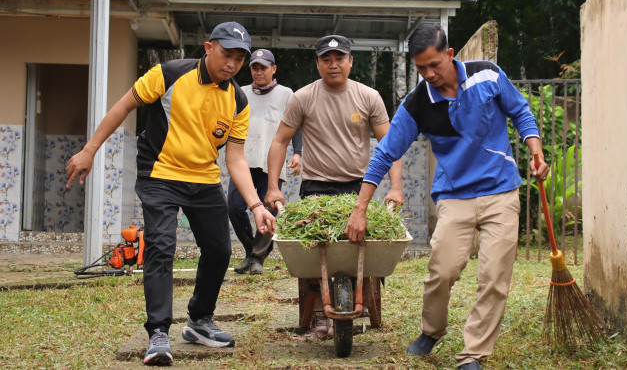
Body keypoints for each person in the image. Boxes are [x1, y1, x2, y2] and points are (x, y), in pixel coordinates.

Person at [66, 21, 275, 366]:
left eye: (240, 59)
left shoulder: (237, 99)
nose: (232, 64)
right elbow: (123, 106)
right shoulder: (169, 74)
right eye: (227, 54)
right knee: (161, 246)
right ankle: (159, 333)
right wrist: (90, 149)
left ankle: (199, 321)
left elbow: (235, 158)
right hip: (160, 173)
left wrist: (255, 205)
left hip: (204, 178)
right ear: (209, 48)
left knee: (220, 250)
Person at [345, 24, 549, 370]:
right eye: (420, 68)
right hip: (454, 196)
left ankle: (472, 354)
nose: (428, 74)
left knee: (495, 276)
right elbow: (384, 155)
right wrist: (360, 208)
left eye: (434, 65)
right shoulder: (418, 103)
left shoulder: (487, 75)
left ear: (450, 54)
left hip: (501, 191)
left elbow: (521, 111)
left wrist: (535, 148)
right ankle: (431, 330)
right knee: (443, 270)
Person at [264, 34, 405, 338]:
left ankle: (362, 303)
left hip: (358, 189)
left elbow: (390, 144)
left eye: (339, 58)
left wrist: (396, 187)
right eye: (326, 60)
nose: (333, 65)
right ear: (317, 64)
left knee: (361, 248)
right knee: (314, 252)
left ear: (350, 61)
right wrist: (273, 186)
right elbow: (280, 141)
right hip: (315, 189)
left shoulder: (368, 97)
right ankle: (317, 315)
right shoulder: (303, 97)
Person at [228, 48, 302, 275]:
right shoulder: (240, 92)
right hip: (243, 161)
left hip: (271, 164)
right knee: (234, 207)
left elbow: (295, 124)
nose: (258, 72)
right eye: (254, 67)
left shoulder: (286, 93)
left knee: (269, 209)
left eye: (263, 67)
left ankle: (257, 258)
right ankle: (251, 251)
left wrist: (297, 151)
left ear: (273, 69)